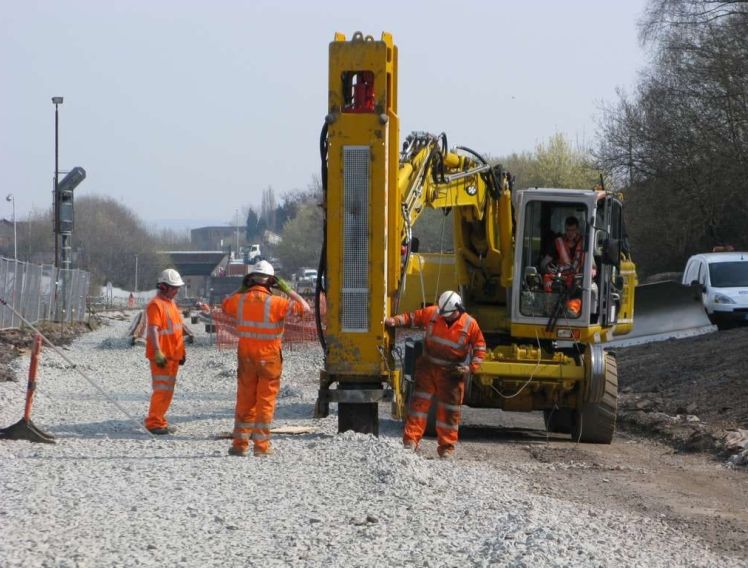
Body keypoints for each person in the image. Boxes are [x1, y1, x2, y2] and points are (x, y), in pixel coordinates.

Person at [222, 260, 311, 457]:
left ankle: (240, 445)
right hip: (269, 359)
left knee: (245, 400)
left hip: (246, 359)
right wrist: (288, 290)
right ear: (271, 282)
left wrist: (241, 288)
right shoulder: (278, 303)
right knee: (265, 402)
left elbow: (225, 304)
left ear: (250, 279)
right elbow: (305, 309)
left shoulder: (240, 300)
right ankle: (261, 447)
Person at [385, 290, 486, 459]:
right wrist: (394, 321)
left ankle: (446, 448)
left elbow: (480, 347)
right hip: (428, 368)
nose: (444, 317)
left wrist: (471, 367)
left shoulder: (470, 324)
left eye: (447, 315)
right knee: (418, 406)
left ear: (458, 310)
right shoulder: (434, 313)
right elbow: (412, 317)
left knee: (449, 412)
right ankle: (410, 441)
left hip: (452, 374)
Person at [144, 268, 186, 435]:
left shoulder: (171, 304)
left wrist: (182, 351)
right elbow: (152, 330)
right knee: (161, 390)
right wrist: (157, 352)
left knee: (167, 391)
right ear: (163, 287)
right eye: (174, 287)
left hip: (173, 356)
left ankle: (159, 420)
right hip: (162, 357)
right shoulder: (156, 305)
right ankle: (153, 422)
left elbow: (177, 330)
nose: (177, 290)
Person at [540, 216, 585, 317]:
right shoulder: (558, 242)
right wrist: (547, 268)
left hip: (577, 279)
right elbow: (544, 263)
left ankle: (572, 311)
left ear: (577, 230)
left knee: (581, 288)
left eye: (573, 230)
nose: (570, 233)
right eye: (568, 230)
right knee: (547, 279)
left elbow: (592, 266)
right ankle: (549, 310)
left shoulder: (585, 243)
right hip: (560, 277)